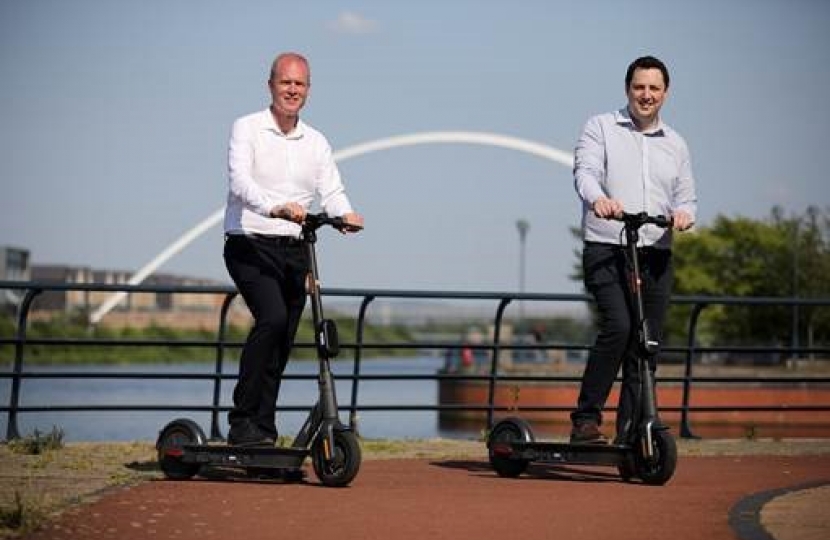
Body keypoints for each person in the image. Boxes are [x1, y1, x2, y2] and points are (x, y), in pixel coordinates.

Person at [222, 52, 364, 447]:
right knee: (271, 318)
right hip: (249, 242)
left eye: (299, 84)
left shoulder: (315, 142)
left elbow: (331, 190)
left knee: (284, 335)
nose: (292, 90)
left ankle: (262, 429)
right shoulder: (247, 128)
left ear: (308, 90)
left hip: (295, 250)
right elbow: (240, 183)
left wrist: (345, 214)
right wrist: (275, 207)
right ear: (271, 84)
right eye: (285, 82)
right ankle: (242, 421)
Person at [570, 55, 697, 444]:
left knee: (647, 344)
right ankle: (586, 420)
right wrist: (598, 200)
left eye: (654, 88)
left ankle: (632, 433)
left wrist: (683, 215)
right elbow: (585, 172)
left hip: (655, 254)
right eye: (639, 87)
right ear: (628, 88)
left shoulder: (676, 144)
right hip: (608, 247)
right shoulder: (601, 127)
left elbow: (688, 198)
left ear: (666, 93)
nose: (646, 95)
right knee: (620, 326)